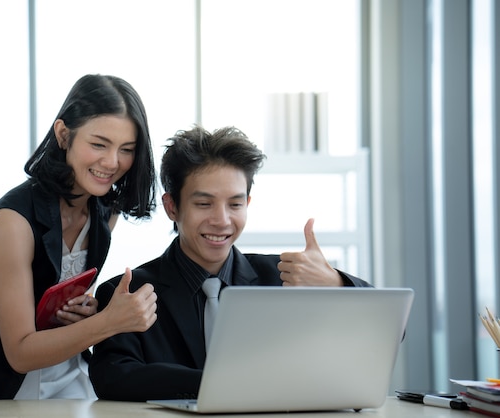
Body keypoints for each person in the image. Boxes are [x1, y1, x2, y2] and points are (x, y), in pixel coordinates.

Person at [0, 74, 159, 418]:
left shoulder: (103, 210)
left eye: (127, 149)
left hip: (69, 381)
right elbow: (20, 352)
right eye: (99, 144)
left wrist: (84, 312)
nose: (113, 162)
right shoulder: (11, 224)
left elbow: (56, 303)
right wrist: (109, 321)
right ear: (63, 135)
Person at [88, 125, 372, 401]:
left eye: (235, 205)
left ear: (248, 203)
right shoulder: (128, 292)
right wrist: (225, 383)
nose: (222, 220)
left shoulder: (283, 279)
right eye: (204, 204)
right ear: (172, 206)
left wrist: (335, 283)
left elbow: (387, 330)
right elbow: (113, 378)